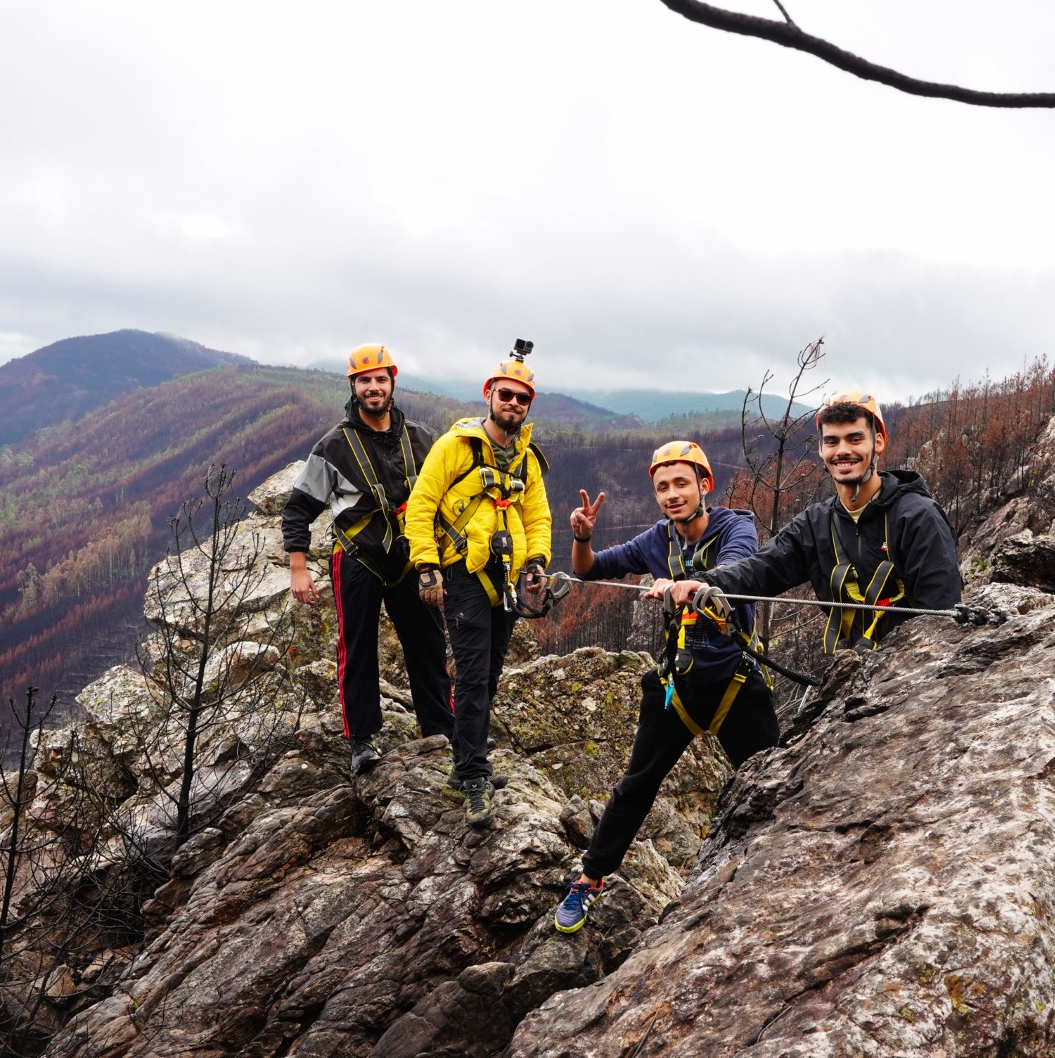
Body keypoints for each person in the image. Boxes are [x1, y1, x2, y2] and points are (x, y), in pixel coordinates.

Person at [553, 440, 781, 934]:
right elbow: (588, 570)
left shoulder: (735, 526)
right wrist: (582, 538)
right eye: (662, 488)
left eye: (682, 484)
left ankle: (788, 868)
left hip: (734, 681)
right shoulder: (657, 540)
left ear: (705, 485)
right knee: (635, 785)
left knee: (772, 783)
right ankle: (589, 879)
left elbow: (738, 565)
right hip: (677, 683)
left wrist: (690, 584)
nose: (672, 494)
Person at [671, 390, 962, 655]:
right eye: (832, 441)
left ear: (878, 443)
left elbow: (940, 612)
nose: (842, 450)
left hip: (913, 663)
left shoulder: (918, 517)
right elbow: (763, 568)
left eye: (855, 439)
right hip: (858, 667)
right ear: (821, 450)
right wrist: (706, 582)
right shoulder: (816, 523)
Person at [282, 343, 455, 775]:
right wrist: (298, 568)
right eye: (365, 381)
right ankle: (361, 739)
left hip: (412, 558)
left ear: (392, 383)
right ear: (353, 386)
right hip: (359, 557)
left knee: (429, 644)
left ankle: (442, 729)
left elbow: (449, 499)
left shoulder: (422, 440)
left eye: (380, 379)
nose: (373, 387)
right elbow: (299, 509)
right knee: (357, 648)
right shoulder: (334, 447)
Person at [404, 347, 552, 829]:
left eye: (522, 398)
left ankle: (467, 758)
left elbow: (537, 516)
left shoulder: (527, 459)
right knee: (471, 676)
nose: (513, 404)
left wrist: (537, 561)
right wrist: (426, 566)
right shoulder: (456, 446)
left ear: (528, 405)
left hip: (506, 576)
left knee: (488, 675)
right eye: (505, 395)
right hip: (463, 575)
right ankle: (472, 774)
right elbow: (421, 505)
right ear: (489, 394)